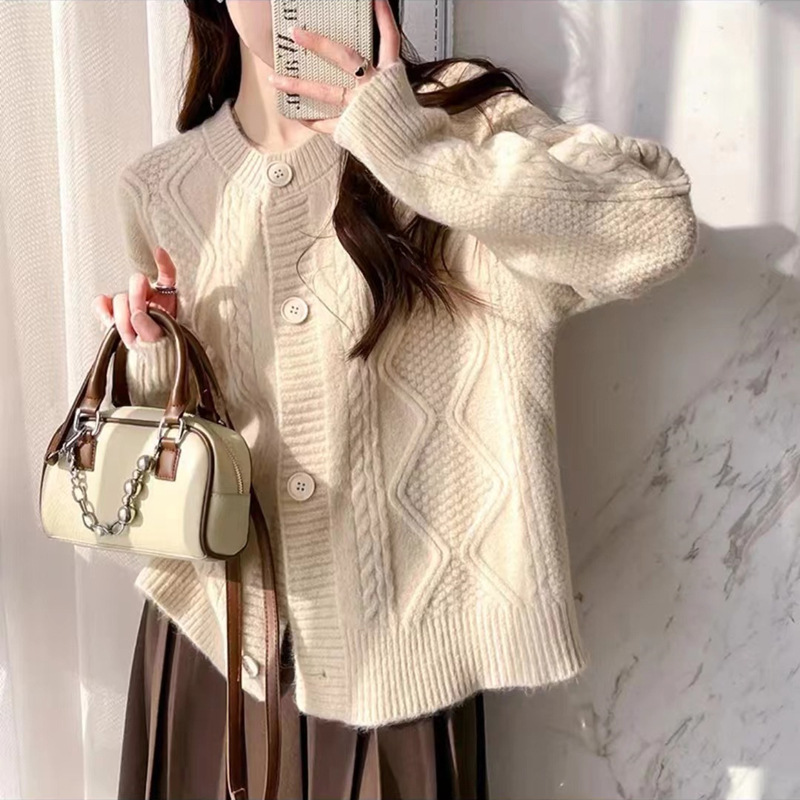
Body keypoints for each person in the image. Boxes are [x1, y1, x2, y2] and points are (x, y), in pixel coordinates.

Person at [95, 1, 699, 797]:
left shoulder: (453, 120)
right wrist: (153, 353)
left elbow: (657, 225)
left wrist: (406, 146)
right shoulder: (162, 186)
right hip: (214, 653)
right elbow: (176, 462)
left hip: (400, 674)